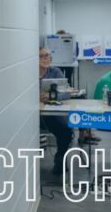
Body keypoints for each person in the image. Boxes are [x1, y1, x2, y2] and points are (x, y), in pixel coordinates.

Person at [39, 47, 73, 175]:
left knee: (66, 130)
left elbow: (66, 93)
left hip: (51, 113)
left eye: (48, 56)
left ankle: (60, 159)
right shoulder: (28, 74)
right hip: (34, 114)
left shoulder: (55, 72)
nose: (46, 59)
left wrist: (52, 96)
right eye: (42, 56)